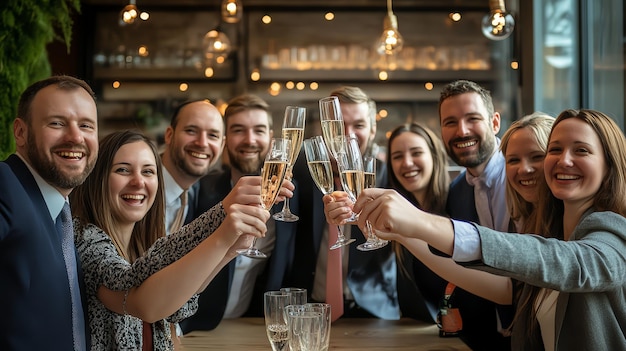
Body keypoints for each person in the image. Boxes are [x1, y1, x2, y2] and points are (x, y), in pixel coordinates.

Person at [355, 109, 626, 350]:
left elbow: (568, 262)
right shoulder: (550, 230)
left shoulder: (614, 232)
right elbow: (503, 288)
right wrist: (402, 233)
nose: (564, 160)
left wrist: (418, 221)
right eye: (555, 150)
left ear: (610, 166)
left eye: (581, 150)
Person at [71, 130, 270, 350]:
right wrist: (221, 221)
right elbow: (146, 305)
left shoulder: (141, 244)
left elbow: (177, 306)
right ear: (97, 179)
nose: (138, 182)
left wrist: (230, 250)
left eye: (148, 171)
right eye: (123, 170)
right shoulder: (86, 241)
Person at [180, 94, 297, 332]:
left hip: (254, 327)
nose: (250, 140)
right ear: (225, 139)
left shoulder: (293, 200)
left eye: (259, 130)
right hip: (194, 329)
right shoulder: (200, 190)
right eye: (238, 130)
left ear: (272, 138)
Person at [0, 75, 97, 350]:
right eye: (57, 123)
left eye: (86, 126)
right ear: (20, 132)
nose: (76, 137)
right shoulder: (5, 184)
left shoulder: (63, 214)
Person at [290, 85, 397, 320]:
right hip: (309, 310)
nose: (348, 134)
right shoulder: (300, 173)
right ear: (326, 129)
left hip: (375, 313)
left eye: (359, 125)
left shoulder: (390, 178)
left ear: (373, 129)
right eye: (339, 126)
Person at [160, 99, 225, 235]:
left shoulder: (203, 195)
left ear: (222, 145)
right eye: (191, 131)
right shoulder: (138, 185)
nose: (202, 143)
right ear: (169, 135)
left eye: (212, 135)